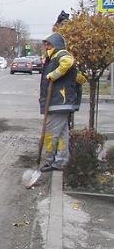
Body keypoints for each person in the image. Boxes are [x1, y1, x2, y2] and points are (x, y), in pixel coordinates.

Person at [39, 32, 86, 172]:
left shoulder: (61, 54)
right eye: (45, 44)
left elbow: (68, 62)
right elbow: (78, 77)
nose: (46, 46)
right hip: (59, 102)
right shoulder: (52, 58)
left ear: (56, 44)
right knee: (62, 134)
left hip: (59, 102)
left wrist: (53, 75)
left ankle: (49, 161)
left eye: (49, 44)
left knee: (50, 133)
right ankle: (61, 161)